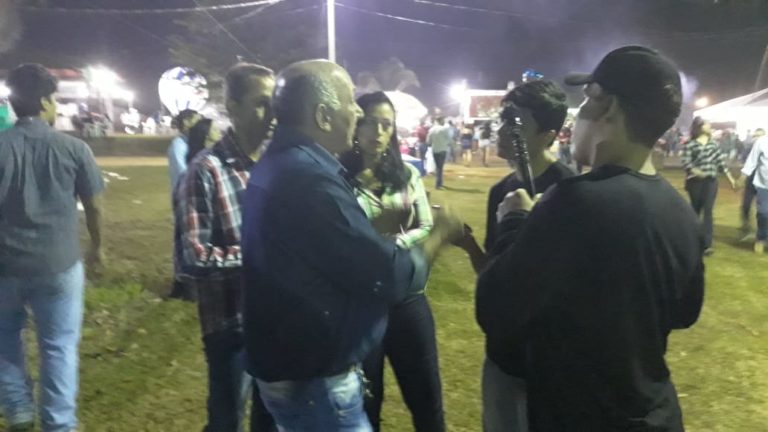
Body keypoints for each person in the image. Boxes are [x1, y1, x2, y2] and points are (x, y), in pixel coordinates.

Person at [475, 46, 705, 431]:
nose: (578, 113)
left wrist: (514, 222)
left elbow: (495, 309)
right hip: (654, 411)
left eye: (585, 100)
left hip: (585, 414)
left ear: (607, 106)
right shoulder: (680, 213)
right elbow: (685, 313)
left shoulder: (572, 202)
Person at [241, 60, 463, 432]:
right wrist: (440, 234)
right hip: (314, 380)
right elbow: (387, 275)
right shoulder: (311, 180)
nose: (357, 112)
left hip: (296, 368)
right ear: (323, 116)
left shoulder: (283, 163)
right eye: (350, 103)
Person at [453, 80, 574, 431]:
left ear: (548, 136)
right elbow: (495, 277)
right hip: (503, 355)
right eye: (504, 119)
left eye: (517, 123)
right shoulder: (500, 192)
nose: (503, 129)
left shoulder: (569, 191)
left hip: (552, 361)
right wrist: (468, 245)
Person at [0, 64, 105, 432]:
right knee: (58, 346)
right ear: (46, 102)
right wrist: (97, 247)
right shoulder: (74, 148)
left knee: (4, 340)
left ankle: (18, 411)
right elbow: (94, 206)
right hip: (58, 262)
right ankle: (58, 423)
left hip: (5, 264)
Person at [340, 91, 445, 431]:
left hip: (407, 298)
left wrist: (393, 243)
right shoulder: (339, 178)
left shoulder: (406, 174)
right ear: (356, 124)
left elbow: (425, 225)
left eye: (387, 124)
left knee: (427, 398)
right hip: (362, 302)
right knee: (367, 401)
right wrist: (380, 244)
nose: (379, 131)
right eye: (371, 122)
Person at [180, 63, 277, 432]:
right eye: (260, 103)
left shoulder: (275, 164)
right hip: (230, 323)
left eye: (274, 103)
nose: (270, 114)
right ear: (232, 108)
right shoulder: (206, 170)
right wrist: (257, 257)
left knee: (271, 416)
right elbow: (193, 256)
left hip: (274, 318)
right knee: (227, 419)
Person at [681, 116, 736, 256]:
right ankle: (692, 240)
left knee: (708, 211)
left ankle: (707, 245)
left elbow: (721, 163)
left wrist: (730, 179)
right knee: (695, 210)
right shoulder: (690, 144)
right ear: (700, 127)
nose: (710, 126)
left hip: (711, 182)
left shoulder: (713, 144)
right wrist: (694, 171)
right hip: (695, 182)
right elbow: (686, 162)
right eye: (707, 124)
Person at [168, 108, 201, 300]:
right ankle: (181, 283)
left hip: (190, 197)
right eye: (196, 120)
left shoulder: (189, 144)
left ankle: (187, 282)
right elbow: (184, 174)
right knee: (183, 240)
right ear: (186, 122)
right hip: (183, 198)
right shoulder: (178, 146)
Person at [738, 130, 768, 254]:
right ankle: (761, 238)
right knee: (763, 213)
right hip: (763, 185)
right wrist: (742, 178)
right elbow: (751, 161)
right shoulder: (762, 142)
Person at [427, 116, 453, 189]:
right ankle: (438, 184)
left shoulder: (431, 129)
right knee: (440, 167)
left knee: (438, 167)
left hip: (435, 150)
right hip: (442, 149)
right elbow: (449, 139)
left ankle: (439, 183)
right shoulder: (444, 129)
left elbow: (428, 141)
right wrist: (452, 145)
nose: (444, 122)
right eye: (443, 120)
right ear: (441, 121)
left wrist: (431, 144)